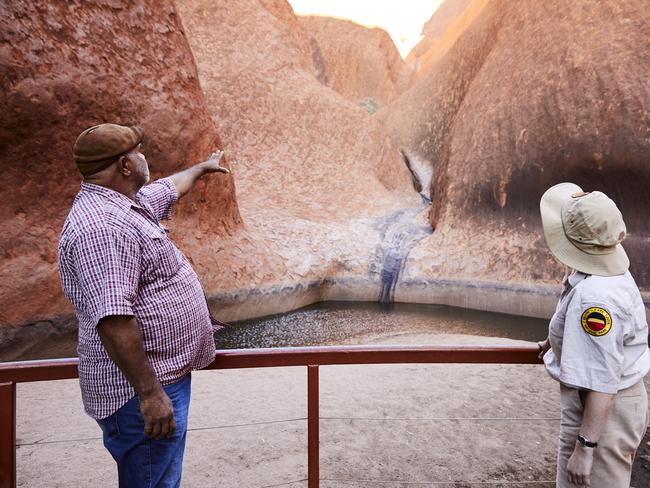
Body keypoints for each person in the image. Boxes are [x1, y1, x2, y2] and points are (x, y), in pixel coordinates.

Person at [57, 123, 230, 487]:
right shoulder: (102, 228)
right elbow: (113, 319)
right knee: (154, 480)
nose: (143, 158)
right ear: (124, 165)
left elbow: (168, 189)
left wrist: (201, 168)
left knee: (161, 477)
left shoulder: (125, 204)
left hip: (159, 379)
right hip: (140, 393)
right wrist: (150, 394)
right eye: (138, 152)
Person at [537, 183, 649, 488]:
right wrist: (556, 340)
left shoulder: (595, 299)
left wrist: (585, 448)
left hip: (602, 415)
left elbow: (602, 378)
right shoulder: (605, 267)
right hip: (601, 409)